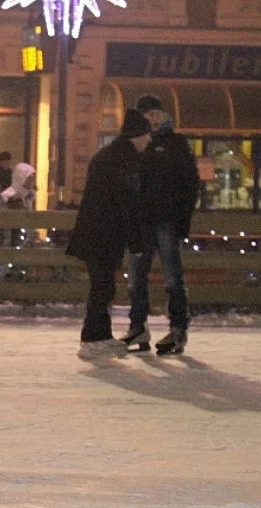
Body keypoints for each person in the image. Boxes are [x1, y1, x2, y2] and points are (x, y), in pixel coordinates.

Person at [66, 109, 150, 360]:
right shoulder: (122, 161)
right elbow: (126, 203)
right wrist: (136, 242)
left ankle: (100, 337)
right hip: (102, 233)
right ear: (138, 135)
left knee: (103, 286)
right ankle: (92, 338)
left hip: (98, 231)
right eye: (147, 135)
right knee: (102, 288)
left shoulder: (113, 156)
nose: (150, 140)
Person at [121, 94, 201, 355]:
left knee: (173, 279)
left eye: (156, 113)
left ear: (164, 115)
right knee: (135, 279)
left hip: (167, 221)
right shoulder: (135, 145)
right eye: (148, 114)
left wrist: (183, 220)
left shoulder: (176, 144)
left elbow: (190, 184)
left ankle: (178, 330)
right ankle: (138, 327)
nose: (152, 118)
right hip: (141, 222)